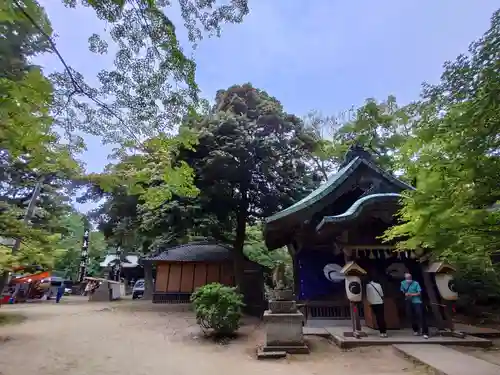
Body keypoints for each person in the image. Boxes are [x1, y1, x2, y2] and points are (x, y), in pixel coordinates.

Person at [400, 272, 429, 339]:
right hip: (408, 301)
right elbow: (402, 291)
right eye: (407, 278)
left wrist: (412, 294)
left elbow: (419, 293)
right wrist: (405, 294)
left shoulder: (416, 283)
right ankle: (416, 329)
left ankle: (425, 332)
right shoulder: (402, 283)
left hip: (417, 301)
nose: (408, 279)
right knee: (410, 315)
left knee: (420, 316)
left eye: (409, 278)